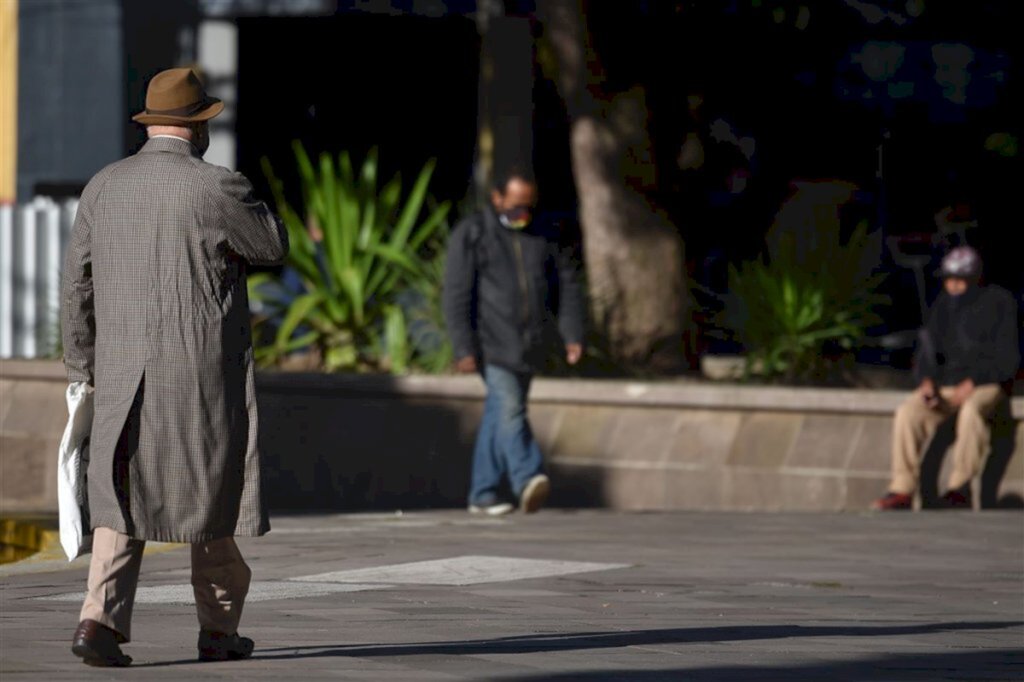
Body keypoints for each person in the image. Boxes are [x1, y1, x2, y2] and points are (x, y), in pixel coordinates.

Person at [62, 68, 288, 666]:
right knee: (209, 500)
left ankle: (98, 624)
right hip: (199, 374)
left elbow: (76, 288)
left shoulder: (103, 187)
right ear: (199, 126)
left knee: (118, 495)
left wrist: (81, 365)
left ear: (150, 123)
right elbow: (271, 246)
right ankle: (217, 630)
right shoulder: (218, 186)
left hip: (120, 375)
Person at [443, 168, 584, 516]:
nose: (522, 213)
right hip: (491, 344)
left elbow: (564, 286)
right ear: (497, 198)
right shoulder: (474, 234)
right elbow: (457, 294)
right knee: (510, 409)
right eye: (516, 205)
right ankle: (527, 476)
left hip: (529, 343)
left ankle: (482, 492)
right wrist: (463, 347)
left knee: (498, 414)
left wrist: (572, 334)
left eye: (528, 206)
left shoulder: (542, 235)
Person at [873, 246, 1019, 510]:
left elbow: (1007, 359)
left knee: (971, 412)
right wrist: (927, 381)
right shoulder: (943, 305)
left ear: (974, 280)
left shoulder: (999, 302)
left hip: (983, 385)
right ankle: (902, 488)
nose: (952, 286)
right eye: (948, 279)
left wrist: (973, 382)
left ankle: (959, 488)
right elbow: (928, 349)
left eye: (959, 280)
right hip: (946, 386)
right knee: (908, 412)